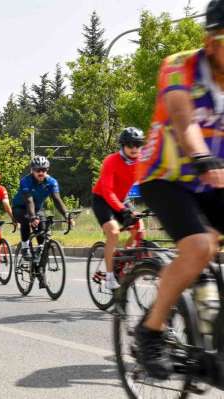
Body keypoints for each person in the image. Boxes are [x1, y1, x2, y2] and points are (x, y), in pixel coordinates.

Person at [132, 1, 224, 380]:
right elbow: (183, 119)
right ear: (210, 39)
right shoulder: (179, 65)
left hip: (212, 179)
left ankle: (209, 338)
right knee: (199, 246)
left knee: (208, 250)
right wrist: (203, 157)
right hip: (165, 175)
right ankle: (150, 332)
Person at [91, 127, 145, 290]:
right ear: (123, 146)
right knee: (114, 232)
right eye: (130, 145)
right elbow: (108, 191)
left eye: (138, 144)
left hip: (122, 200)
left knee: (139, 229)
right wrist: (123, 211)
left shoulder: (142, 160)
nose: (134, 148)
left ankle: (122, 261)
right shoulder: (111, 161)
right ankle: (108, 277)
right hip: (102, 199)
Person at [12, 156, 70, 261]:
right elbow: (29, 200)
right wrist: (32, 217)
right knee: (26, 221)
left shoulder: (52, 182)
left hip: (37, 208)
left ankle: (39, 258)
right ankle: (25, 247)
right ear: (32, 170)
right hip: (20, 207)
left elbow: (57, 199)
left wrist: (66, 215)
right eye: (37, 170)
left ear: (47, 170)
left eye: (44, 170)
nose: (41, 172)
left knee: (42, 228)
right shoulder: (26, 181)